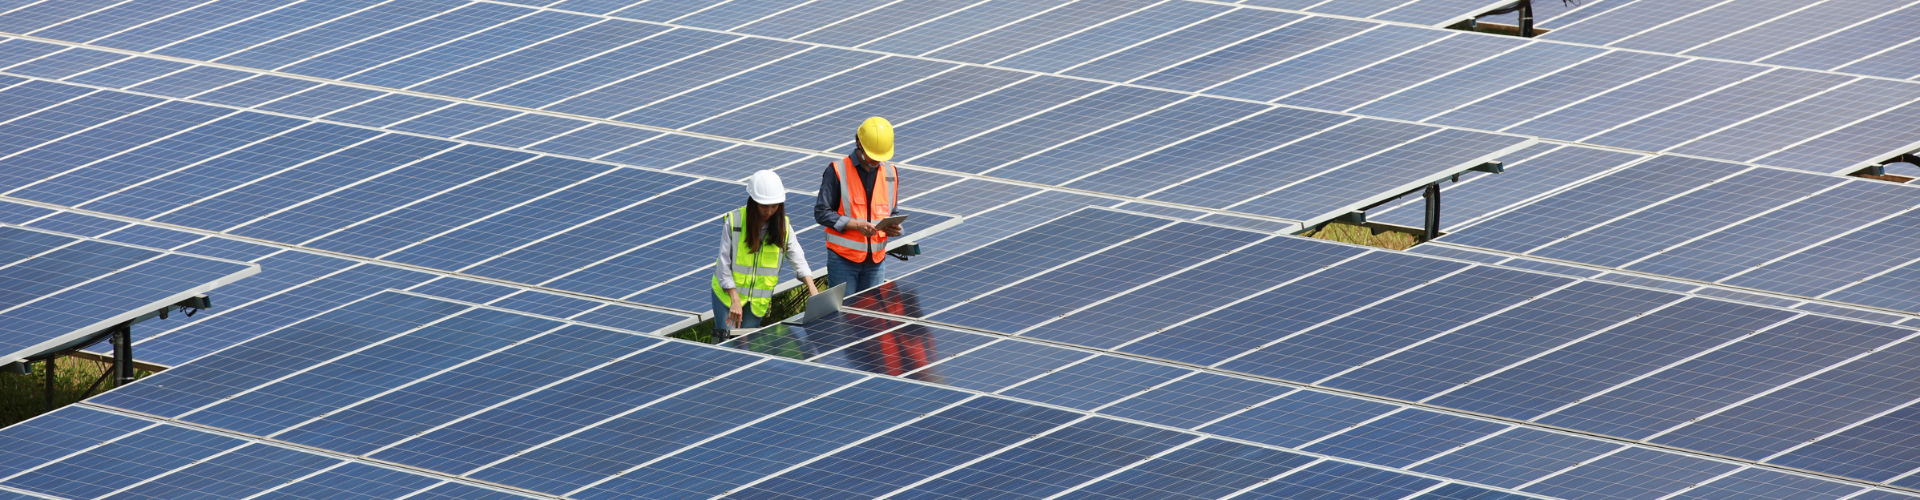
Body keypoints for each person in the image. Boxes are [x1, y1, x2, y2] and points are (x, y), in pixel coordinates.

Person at [713, 170, 818, 335]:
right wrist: (735, 299)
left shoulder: (783, 227)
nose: (769, 212)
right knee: (727, 342)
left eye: (774, 206)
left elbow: (798, 258)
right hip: (727, 297)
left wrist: (812, 288)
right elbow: (723, 265)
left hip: (756, 303)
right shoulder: (734, 222)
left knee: (746, 346)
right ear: (753, 202)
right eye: (764, 206)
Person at [816, 116, 905, 293]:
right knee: (844, 316)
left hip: (876, 261)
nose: (876, 162)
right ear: (859, 144)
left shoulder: (890, 173)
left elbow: (892, 211)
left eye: (879, 158)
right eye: (872, 157)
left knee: (869, 318)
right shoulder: (837, 170)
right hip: (843, 260)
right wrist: (856, 225)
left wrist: (896, 227)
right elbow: (821, 212)